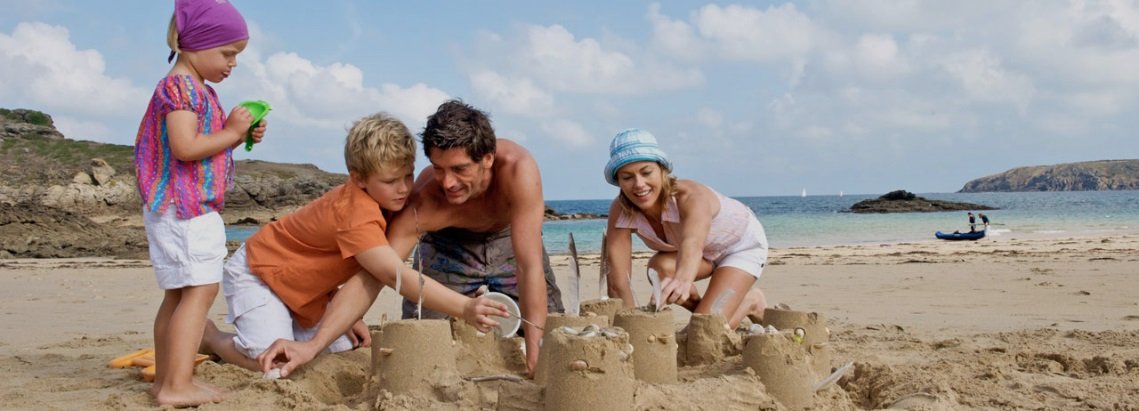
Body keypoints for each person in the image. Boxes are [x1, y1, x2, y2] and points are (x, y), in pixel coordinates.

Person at [201, 113, 508, 379]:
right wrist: (465, 306)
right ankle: (211, 337)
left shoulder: (388, 200)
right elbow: (391, 274)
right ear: (359, 179)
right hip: (261, 274)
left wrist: (348, 312)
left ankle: (286, 327)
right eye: (391, 181)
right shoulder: (355, 212)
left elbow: (347, 267)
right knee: (274, 364)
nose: (403, 189)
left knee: (344, 349)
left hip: (309, 291)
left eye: (408, 176)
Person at [132, 0, 263, 406]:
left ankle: (167, 380)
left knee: (177, 295)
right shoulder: (182, 87)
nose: (233, 63)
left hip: (176, 208)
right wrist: (232, 132)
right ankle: (176, 384)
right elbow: (186, 147)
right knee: (200, 290)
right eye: (227, 53)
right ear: (195, 44)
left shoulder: (192, 87)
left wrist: (239, 134)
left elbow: (199, 144)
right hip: (186, 209)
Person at [382, 99, 564, 374]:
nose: (447, 183)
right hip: (446, 243)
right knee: (421, 341)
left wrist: (536, 350)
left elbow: (529, 266)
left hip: (508, 239)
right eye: (438, 168)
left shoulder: (518, 170)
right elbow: (382, 266)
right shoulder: (426, 200)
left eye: (460, 169)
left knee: (553, 335)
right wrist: (351, 318)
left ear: (487, 159)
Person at [602, 128, 768, 329]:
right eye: (627, 177)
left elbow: (692, 242)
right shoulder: (620, 211)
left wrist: (682, 280)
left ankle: (750, 302)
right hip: (702, 259)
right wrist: (630, 330)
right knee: (660, 269)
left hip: (740, 247)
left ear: (662, 170)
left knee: (706, 331)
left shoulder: (690, 196)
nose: (639, 184)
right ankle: (712, 312)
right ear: (618, 181)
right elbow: (619, 283)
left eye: (646, 172)